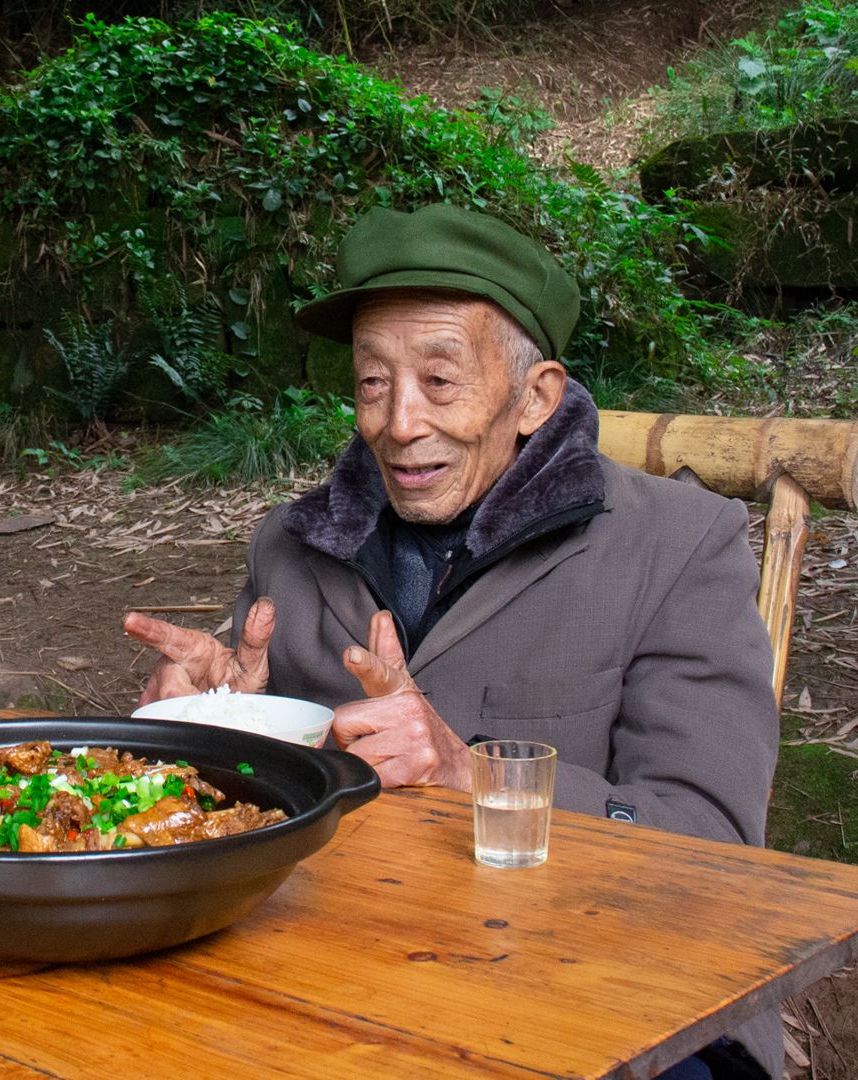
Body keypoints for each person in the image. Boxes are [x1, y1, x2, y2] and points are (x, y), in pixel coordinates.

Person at [124, 203, 779, 1079]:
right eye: (370, 383)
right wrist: (205, 734)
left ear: (535, 397)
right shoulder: (291, 546)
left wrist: (471, 775)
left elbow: (717, 849)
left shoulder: (677, 547)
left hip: (606, 1003)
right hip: (339, 987)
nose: (399, 423)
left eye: (440, 382)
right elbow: (244, 829)